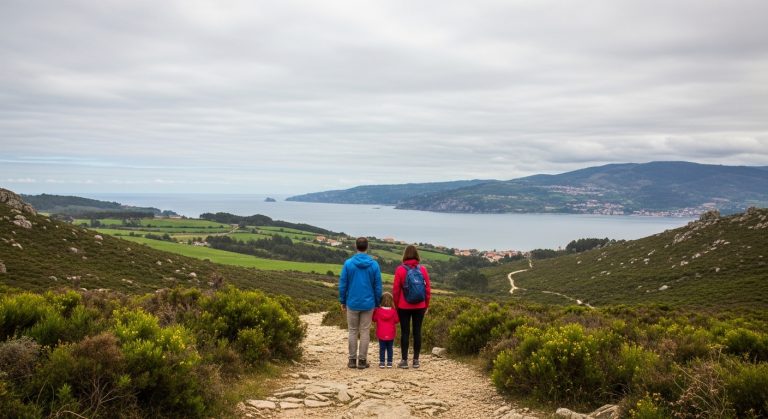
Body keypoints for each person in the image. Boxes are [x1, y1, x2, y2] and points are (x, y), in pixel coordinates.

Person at [339, 237, 382, 369]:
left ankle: (352, 360)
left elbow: (343, 284)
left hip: (352, 302)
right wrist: (377, 302)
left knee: (352, 331)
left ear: (356, 246)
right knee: (365, 332)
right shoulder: (374, 264)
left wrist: (342, 301)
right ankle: (362, 361)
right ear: (367, 247)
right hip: (368, 303)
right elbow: (378, 286)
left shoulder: (348, 263)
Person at [392, 244, 431, 369]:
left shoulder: (400, 269)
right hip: (420, 305)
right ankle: (416, 360)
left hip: (404, 306)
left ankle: (404, 360)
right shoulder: (423, 269)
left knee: (405, 332)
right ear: (417, 255)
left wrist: (396, 306)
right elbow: (427, 289)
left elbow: (396, 290)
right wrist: (426, 305)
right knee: (417, 332)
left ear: (405, 255)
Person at [372, 292, 399, 368]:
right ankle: (390, 362)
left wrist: (374, 311)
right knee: (390, 348)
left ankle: (382, 362)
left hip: (381, 333)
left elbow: (374, 319)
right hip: (391, 333)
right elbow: (397, 320)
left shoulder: (378, 311)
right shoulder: (393, 311)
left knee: (382, 348)